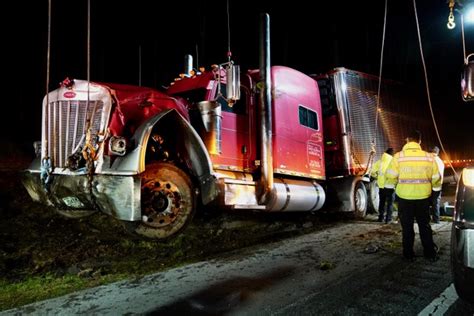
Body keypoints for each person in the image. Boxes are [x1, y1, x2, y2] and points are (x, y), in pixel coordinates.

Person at [385, 130, 442, 262]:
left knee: (407, 228)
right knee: (425, 226)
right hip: (423, 199)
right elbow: (436, 179)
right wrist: (434, 195)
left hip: (405, 200)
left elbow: (390, 177)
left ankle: (408, 255)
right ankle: (430, 254)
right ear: (419, 141)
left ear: (407, 140)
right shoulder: (429, 157)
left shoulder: (398, 157)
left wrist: (389, 192)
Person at [371, 147, 395, 223]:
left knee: (382, 202)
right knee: (390, 203)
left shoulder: (380, 161)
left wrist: (376, 177)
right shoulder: (393, 162)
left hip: (381, 186)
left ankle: (380, 218)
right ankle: (388, 219)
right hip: (390, 186)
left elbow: (373, 171)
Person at [430, 146, 444, 224]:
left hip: (433, 185)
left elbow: (435, 175)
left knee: (434, 203)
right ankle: (436, 219)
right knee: (436, 203)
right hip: (438, 186)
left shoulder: (433, 161)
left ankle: (435, 219)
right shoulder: (440, 161)